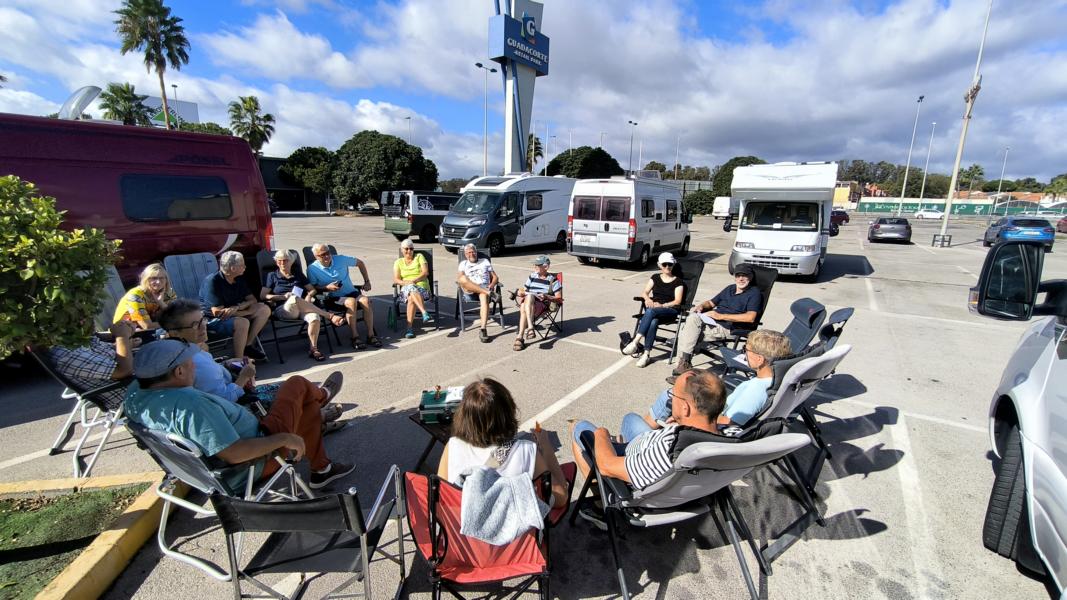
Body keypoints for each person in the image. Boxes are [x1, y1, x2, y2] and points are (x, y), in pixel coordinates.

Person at [124, 339, 355, 490]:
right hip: (253, 461)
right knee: (296, 385)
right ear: (179, 371)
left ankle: (322, 468)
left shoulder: (135, 393)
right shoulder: (191, 405)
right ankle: (322, 397)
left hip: (197, 472)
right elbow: (234, 453)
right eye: (190, 362)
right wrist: (285, 438)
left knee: (305, 406)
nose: (194, 366)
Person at [158, 299, 345, 430]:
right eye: (195, 325)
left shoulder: (183, 352)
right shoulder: (193, 362)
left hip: (232, 401)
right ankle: (321, 403)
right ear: (175, 332)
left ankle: (318, 417)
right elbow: (225, 399)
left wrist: (227, 363)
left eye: (203, 320)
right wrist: (244, 377)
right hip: (239, 408)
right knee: (295, 388)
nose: (203, 326)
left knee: (289, 387)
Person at [570, 370, 725, 525]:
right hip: (674, 473)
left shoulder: (668, 451)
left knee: (579, 427)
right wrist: (681, 424)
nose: (671, 400)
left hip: (637, 471)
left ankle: (602, 505)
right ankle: (617, 442)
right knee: (631, 419)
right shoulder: (728, 438)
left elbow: (606, 466)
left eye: (673, 396)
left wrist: (601, 434)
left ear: (685, 408)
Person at [437, 377, 568, 509]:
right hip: (510, 522)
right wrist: (545, 445)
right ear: (508, 413)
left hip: (460, 520)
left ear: (463, 416)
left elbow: (441, 492)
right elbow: (561, 498)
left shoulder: (452, 446)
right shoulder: (526, 451)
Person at [646, 329, 792, 433]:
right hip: (716, 411)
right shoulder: (777, 380)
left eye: (745, 350)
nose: (744, 354)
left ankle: (644, 435)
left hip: (709, 423)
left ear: (759, 359)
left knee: (667, 396)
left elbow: (729, 422)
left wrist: (685, 420)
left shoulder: (755, 391)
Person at [670, 263, 762, 377]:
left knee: (687, 331)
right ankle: (683, 367)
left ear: (750, 277)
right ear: (735, 277)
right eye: (738, 276)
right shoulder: (730, 288)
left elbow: (750, 317)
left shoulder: (754, 293)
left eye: (744, 276)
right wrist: (701, 306)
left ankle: (682, 369)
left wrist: (720, 316)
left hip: (730, 327)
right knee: (692, 321)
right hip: (712, 323)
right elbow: (711, 303)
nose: (741, 279)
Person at [260, 249, 347, 361]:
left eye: (285, 260)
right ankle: (329, 316)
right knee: (295, 298)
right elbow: (263, 296)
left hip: (302, 308)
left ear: (291, 261)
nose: (282, 263)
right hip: (284, 309)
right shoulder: (272, 275)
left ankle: (314, 349)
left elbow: (312, 290)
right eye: (279, 261)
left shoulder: (297, 274)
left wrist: (309, 296)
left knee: (315, 317)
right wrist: (282, 297)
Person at [45, 320, 137, 407]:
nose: (91, 318)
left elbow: (109, 352)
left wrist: (126, 337)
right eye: (83, 314)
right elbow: (124, 371)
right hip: (133, 396)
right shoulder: (67, 354)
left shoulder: (81, 339)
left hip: (136, 381)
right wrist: (122, 336)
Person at [199, 251, 271, 361]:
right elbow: (218, 312)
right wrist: (245, 312)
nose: (245, 267)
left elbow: (253, 300)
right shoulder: (213, 281)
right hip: (214, 319)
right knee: (243, 322)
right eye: (242, 265)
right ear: (233, 268)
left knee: (264, 309)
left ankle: (247, 345)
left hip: (237, 313)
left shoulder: (238, 279)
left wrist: (239, 307)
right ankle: (239, 360)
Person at [306, 243, 379, 350]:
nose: (327, 256)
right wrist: (327, 287)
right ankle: (355, 337)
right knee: (351, 302)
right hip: (332, 297)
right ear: (316, 256)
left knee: (366, 301)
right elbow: (313, 287)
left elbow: (360, 263)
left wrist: (367, 281)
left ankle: (371, 335)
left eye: (328, 253)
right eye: (322, 255)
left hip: (351, 292)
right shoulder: (312, 268)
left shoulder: (340, 259)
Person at [622, 252, 684, 368]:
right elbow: (645, 292)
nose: (667, 267)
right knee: (653, 321)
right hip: (655, 310)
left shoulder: (678, 281)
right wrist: (647, 299)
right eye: (664, 264)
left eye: (670, 264)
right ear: (659, 265)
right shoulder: (655, 277)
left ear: (673, 265)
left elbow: (677, 301)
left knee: (650, 312)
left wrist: (662, 305)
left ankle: (635, 342)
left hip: (670, 310)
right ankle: (646, 354)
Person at [513, 255, 562, 351]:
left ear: (546, 267)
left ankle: (520, 337)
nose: (535, 267)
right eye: (535, 265)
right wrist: (520, 292)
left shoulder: (553, 280)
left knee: (524, 304)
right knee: (528, 298)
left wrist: (547, 296)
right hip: (529, 304)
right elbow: (524, 289)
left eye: (537, 265)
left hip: (542, 304)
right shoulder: (532, 276)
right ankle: (530, 328)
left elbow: (559, 298)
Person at [113, 263, 177, 332]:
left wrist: (161, 303)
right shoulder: (135, 296)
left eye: (162, 278)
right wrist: (174, 324)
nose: (158, 282)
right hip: (124, 332)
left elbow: (177, 316)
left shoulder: (169, 293)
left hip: (150, 330)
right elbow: (147, 326)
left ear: (166, 280)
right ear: (145, 279)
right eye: (154, 278)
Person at [457, 243, 499, 343]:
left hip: (484, 287)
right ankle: (489, 293)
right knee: (462, 279)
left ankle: (483, 329)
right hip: (470, 290)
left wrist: (492, 284)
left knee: (484, 298)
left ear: (476, 252)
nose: (471, 254)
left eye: (473, 252)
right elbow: (460, 279)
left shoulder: (485, 261)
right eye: (469, 253)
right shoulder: (463, 264)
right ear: (465, 254)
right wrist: (488, 291)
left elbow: (495, 277)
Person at [392, 238, 432, 339]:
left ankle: (409, 328)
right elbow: (396, 279)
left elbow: (425, 273)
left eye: (411, 248)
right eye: (406, 249)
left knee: (411, 297)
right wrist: (406, 283)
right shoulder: (398, 262)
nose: (409, 251)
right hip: (406, 290)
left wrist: (413, 281)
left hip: (422, 289)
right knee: (410, 289)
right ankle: (424, 312)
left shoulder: (419, 257)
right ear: (402, 250)